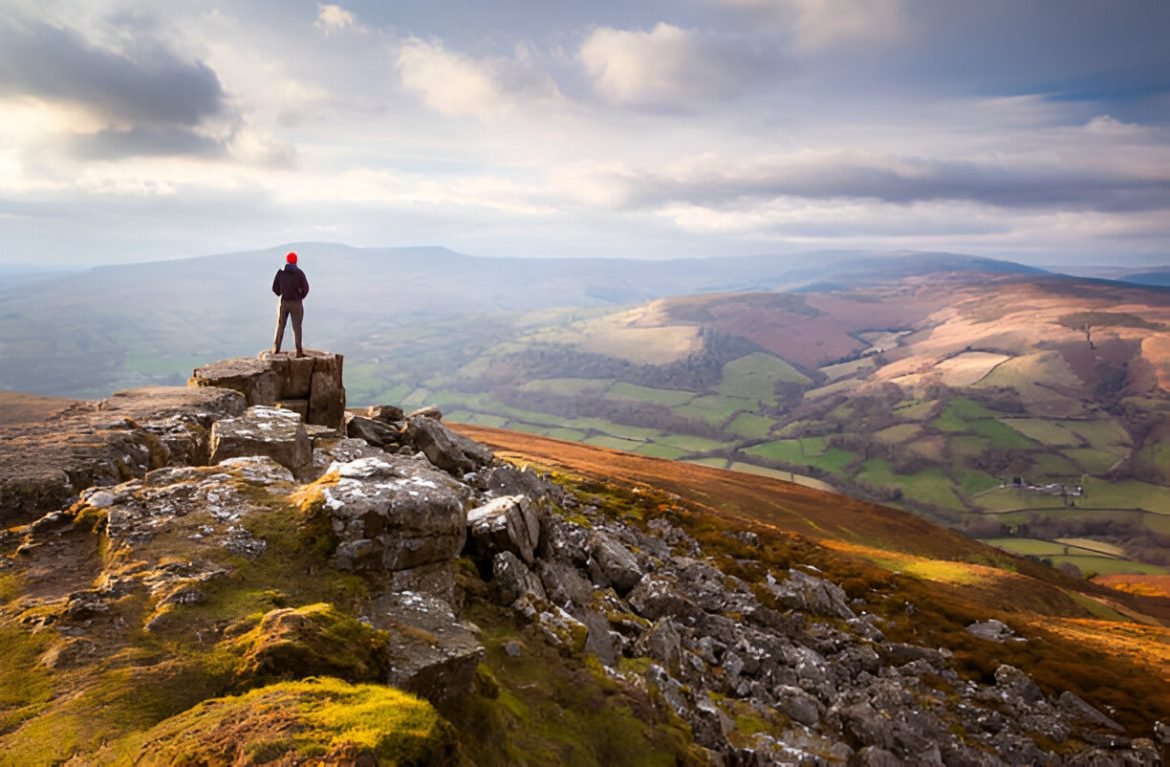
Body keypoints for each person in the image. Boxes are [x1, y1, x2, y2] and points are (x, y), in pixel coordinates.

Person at [272, 251, 310, 357]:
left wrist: (281, 293)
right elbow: (306, 288)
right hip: (296, 303)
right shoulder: (299, 273)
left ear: (287, 260)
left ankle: (276, 348)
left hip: (283, 302)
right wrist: (300, 296)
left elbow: (275, 288)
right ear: (296, 261)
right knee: (297, 327)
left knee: (281, 326)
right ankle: (299, 351)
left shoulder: (281, 273)